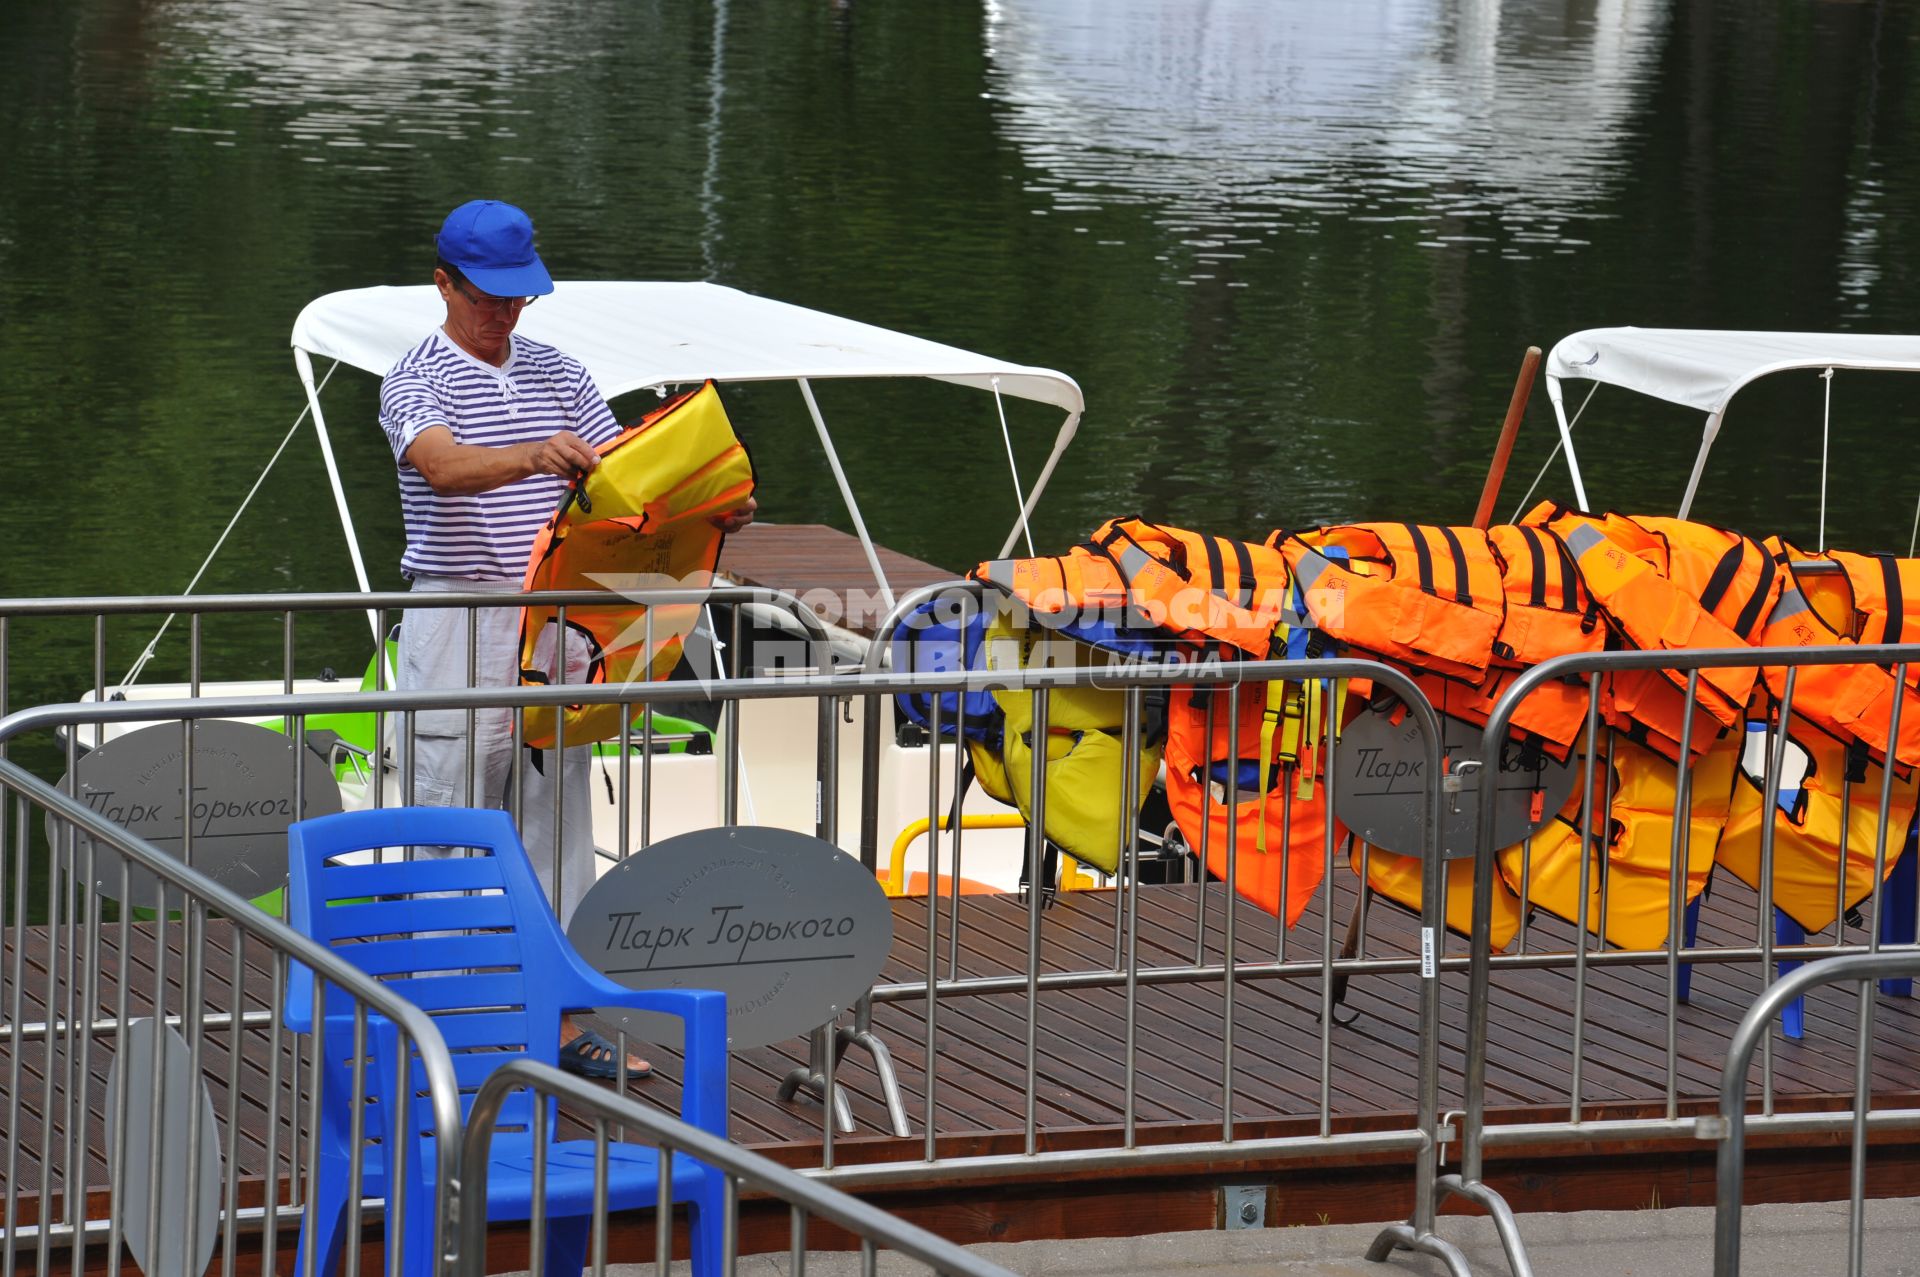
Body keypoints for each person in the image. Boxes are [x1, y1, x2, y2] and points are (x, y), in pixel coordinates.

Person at [378, 198, 753, 1080]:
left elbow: (629, 483)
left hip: (553, 619)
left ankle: (557, 1021)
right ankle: (449, 1018)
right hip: (460, 615)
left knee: (555, 815)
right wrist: (535, 455)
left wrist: (712, 504)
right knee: (452, 804)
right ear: (444, 283)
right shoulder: (415, 377)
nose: (504, 314)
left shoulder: (561, 372)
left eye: (516, 298)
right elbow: (439, 464)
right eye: (487, 298)